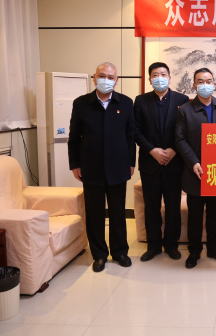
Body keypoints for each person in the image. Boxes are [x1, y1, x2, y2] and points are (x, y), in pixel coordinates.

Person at [68, 62, 135, 273]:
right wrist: (75, 164)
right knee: (95, 214)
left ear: (117, 81)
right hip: (91, 167)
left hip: (118, 166)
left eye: (111, 77)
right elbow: (74, 137)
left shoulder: (125, 102)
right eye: (102, 75)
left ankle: (120, 252)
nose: (106, 80)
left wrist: (131, 163)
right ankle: (99, 254)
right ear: (94, 77)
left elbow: (130, 136)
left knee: (118, 213)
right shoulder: (81, 103)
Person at [175, 68, 216, 269]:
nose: (205, 85)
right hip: (195, 172)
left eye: (208, 81)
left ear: (214, 83)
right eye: (200, 81)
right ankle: (194, 251)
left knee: (215, 214)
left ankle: (214, 249)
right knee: (194, 215)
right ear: (194, 85)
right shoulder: (184, 110)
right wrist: (194, 162)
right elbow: (180, 139)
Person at [134, 62, 190, 262]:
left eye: (163, 74)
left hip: (174, 163)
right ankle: (154, 245)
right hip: (149, 163)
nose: (159, 78)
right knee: (151, 207)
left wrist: (174, 150)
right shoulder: (140, 101)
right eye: (155, 75)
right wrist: (152, 150)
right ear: (149, 79)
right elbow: (135, 130)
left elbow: (185, 129)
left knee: (173, 207)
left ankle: (171, 245)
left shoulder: (182, 100)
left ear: (170, 78)